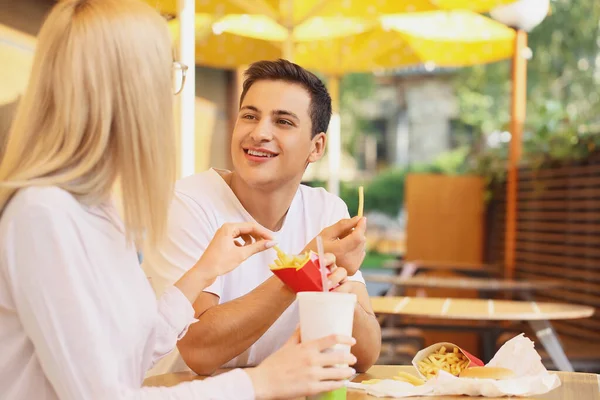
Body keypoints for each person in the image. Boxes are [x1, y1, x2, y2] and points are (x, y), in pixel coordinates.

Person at [0, 1, 357, 399]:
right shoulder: (43, 215)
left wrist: (201, 273)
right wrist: (261, 382)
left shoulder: (95, 210)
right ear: (123, 89)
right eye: (167, 74)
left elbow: (131, 353)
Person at [143, 59, 382, 376]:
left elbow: (365, 355)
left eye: (283, 122)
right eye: (249, 116)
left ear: (316, 146)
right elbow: (199, 350)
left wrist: (340, 292)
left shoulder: (327, 211)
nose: (259, 133)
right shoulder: (188, 205)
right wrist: (304, 270)